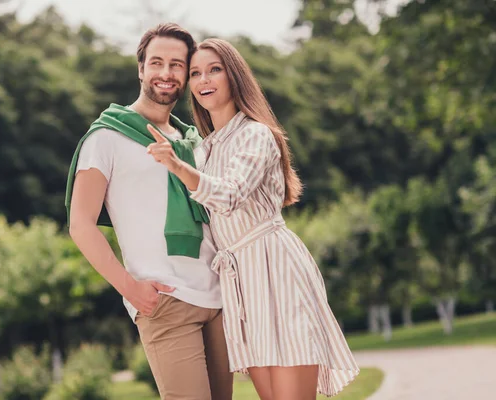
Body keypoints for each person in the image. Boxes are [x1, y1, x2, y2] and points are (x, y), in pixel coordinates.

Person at [146, 38, 360, 400]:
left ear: (235, 76)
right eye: (195, 72)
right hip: (239, 285)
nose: (203, 80)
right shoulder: (203, 149)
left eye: (215, 69)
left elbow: (228, 195)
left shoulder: (256, 134)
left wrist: (176, 166)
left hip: (276, 269)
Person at [66, 25, 233, 400]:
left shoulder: (192, 141)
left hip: (218, 298)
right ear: (140, 69)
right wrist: (131, 289)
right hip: (167, 299)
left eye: (178, 65)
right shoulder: (106, 137)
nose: (166, 73)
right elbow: (80, 224)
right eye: (156, 62)